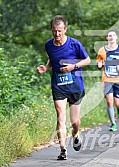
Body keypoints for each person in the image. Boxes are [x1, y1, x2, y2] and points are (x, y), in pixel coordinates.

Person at [36, 15, 91, 160]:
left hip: (75, 86)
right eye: (54, 31)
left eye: (60, 31)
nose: (57, 34)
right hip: (58, 85)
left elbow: (87, 60)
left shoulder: (74, 44)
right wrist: (46, 67)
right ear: (51, 30)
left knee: (74, 121)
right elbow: (52, 57)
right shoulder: (48, 45)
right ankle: (63, 149)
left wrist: (74, 66)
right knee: (60, 117)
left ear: (65, 29)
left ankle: (76, 133)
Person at [96, 30, 119, 131]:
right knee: (109, 101)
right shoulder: (102, 50)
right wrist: (99, 64)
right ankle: (113, 123)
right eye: (109, 36)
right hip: (107, 79)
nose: (111, 37)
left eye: (113, 36)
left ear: (116, 38)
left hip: (118, 79)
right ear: (107, 38)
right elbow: (99, 62)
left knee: (117, 103)